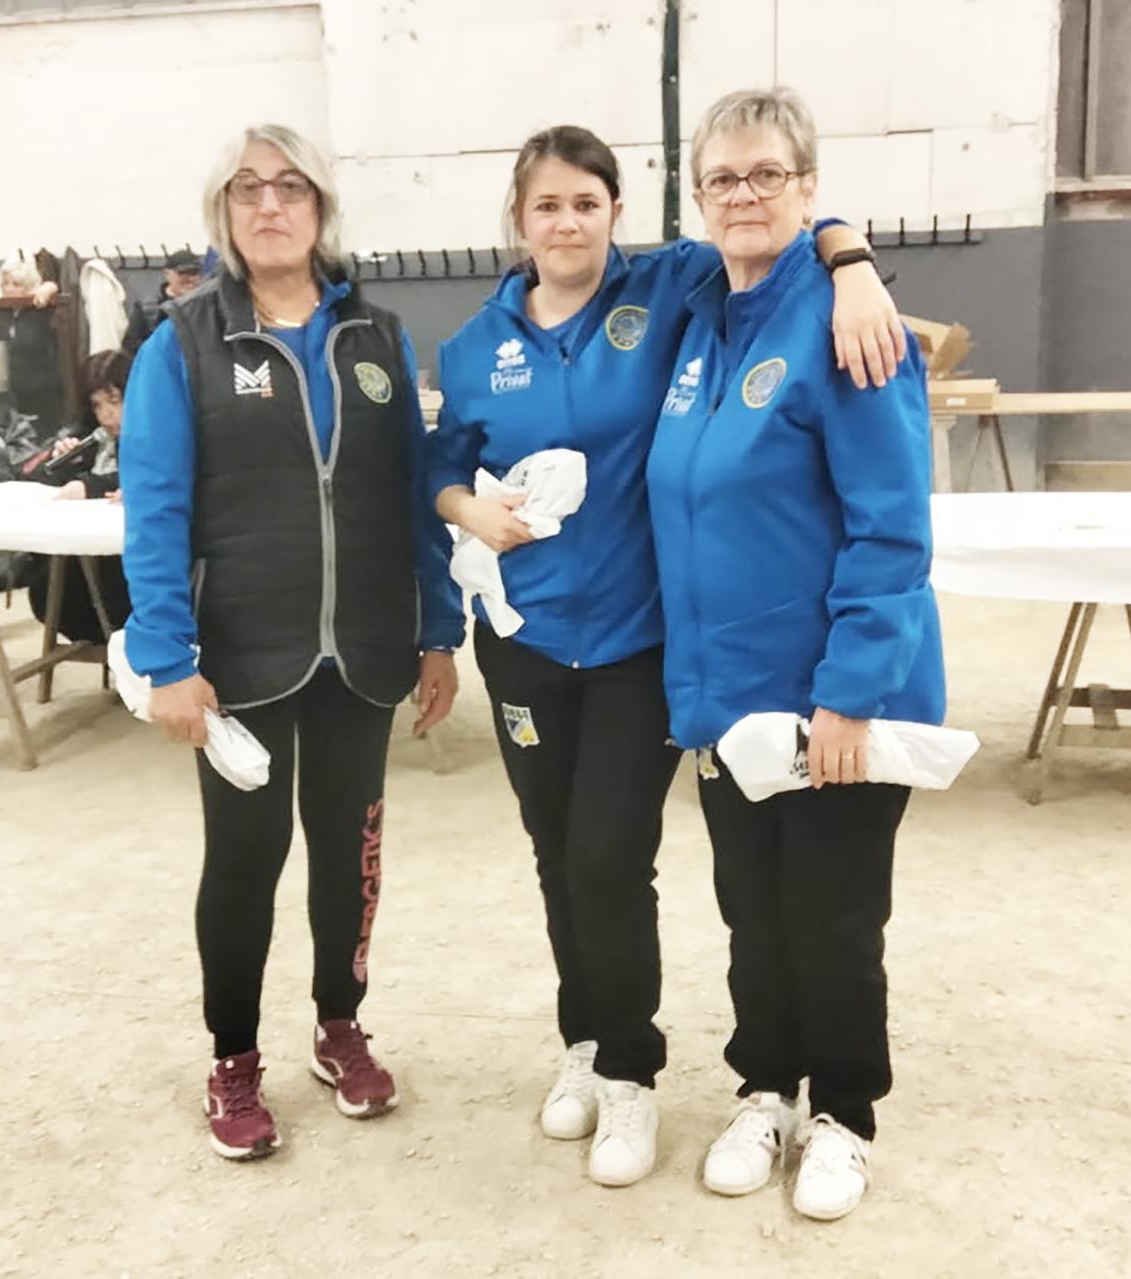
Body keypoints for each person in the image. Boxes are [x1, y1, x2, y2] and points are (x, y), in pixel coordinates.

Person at [427, 123, 905, 1188]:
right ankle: (594, 1048)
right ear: (519, 217)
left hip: (647, 646)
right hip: (532, 642)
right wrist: (472, 507)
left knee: (613, 856)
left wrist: (854, 260)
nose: (567, 222)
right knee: (566, 859)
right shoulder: (472, 346)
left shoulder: (671, 293)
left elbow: (768, 227)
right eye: (546, 204)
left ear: (617, 214)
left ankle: (648, 1075)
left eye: (587, 203)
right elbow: (439, 469)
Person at [118, 123, 463, 1161]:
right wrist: (168, 659)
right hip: (244, 657)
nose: (270, 205)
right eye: (248, 190)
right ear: (224, 214)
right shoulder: (180, 345)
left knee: (349, 857)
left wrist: (437, 629)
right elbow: (155, 509)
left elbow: (415, 492)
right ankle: (233, 1058)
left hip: (362, 650)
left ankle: (339, 1023)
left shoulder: (378, 337)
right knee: (245, 859)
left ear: (320, 208)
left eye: (291, 187)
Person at [646, 87, 945, 1219]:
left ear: (809, 186)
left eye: (768, 175)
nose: (743, 195)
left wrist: (852, 694)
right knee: (751, 909)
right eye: (723, 177)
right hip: (726, 705)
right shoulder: (695, 311)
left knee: (831, 915)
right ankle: (764, 1086)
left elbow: (891, 525)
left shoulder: (845, 326)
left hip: (833, 700)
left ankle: (843, 1114)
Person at [28, 350, 132, 643]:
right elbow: (42, 485)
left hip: (127, 568)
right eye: (98, 405)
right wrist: (65, 463)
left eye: (115, 401)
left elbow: (150, 473)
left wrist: (91, 485)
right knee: (49, 586)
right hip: (83, 565)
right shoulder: (92, 438)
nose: (107, 415)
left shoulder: (157, 434)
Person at [0, 255, 66, 440]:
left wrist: (48, 288)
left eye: (16, 284)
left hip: (41, 393)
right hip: (6, 396)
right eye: (5, 283)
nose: (9, 288)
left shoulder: (40, 310)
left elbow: (55, 288)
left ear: (29, 287)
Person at [123, 248, 203, 357]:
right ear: (167, 274)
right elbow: (130, 347)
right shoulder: (147, 310)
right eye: (183, 273)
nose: (189, 278)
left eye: (194, 272)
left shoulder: (208, 307)